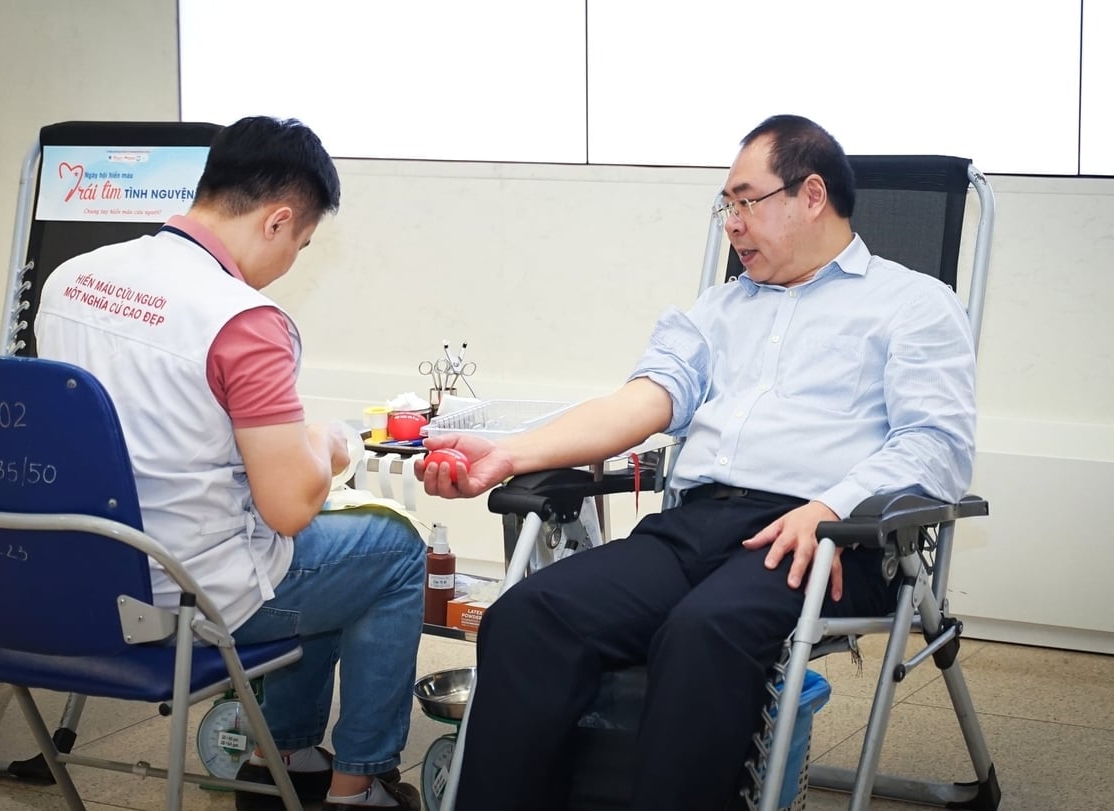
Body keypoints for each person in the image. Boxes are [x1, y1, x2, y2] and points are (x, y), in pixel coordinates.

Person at [417, 114, 977, 811]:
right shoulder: (714, 311)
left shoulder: (913, 304)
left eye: (746, 201)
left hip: (824, 538)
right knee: (530, 614)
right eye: (727, 206)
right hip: (694, 526)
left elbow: (938, 446)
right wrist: (508, 454)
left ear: (810, 195)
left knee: (702, 633)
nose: (731, 224)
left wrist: (832, 505)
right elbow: (641, 402)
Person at [35, 116, 424, 811]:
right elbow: (288, 507)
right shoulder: (242, 319)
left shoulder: (72, 280)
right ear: (278, 221)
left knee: (332, 555)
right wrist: (329, 446)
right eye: (302, 244)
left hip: (71, 578)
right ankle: (355, 787)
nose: (293, 260)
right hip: (185, 597)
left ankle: (288, 758)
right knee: (390, 549)